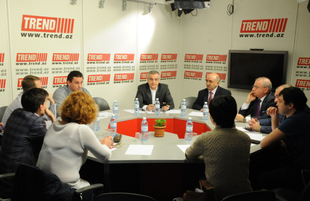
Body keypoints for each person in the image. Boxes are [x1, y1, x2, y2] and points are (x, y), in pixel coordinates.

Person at [37, 91, 112, 190]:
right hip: (66, 188)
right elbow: (105, 157)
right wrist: (106, 144)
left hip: (43, 184)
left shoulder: (54, 125)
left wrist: (97, 144)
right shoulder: (81, 130)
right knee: (96, 182)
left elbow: (70, 145)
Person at [185, 95, 252, 200]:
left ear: (212, 117)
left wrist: (207, 156)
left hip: (217, 196)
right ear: (234, 114)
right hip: (246, 196)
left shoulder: (205, 138)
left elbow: (189, 155)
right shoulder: (246, 138)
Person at [259, 87, 310, 192]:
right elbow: (278, 137)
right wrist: (274, 117)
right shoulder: (303, 113)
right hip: (302, 166)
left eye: (280, 101)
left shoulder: (295, 119)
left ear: (290, 105)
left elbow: (264, 143)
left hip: (301, 171)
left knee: (261, 177)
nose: (276, 103)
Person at [0, 88, 54, 174]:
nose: (46, 106)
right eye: (45, 102)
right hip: (18, 173)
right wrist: (52, 116)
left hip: (4, 168)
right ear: (41, 107)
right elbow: (50, 144)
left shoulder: (16, 112)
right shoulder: (36, 122)